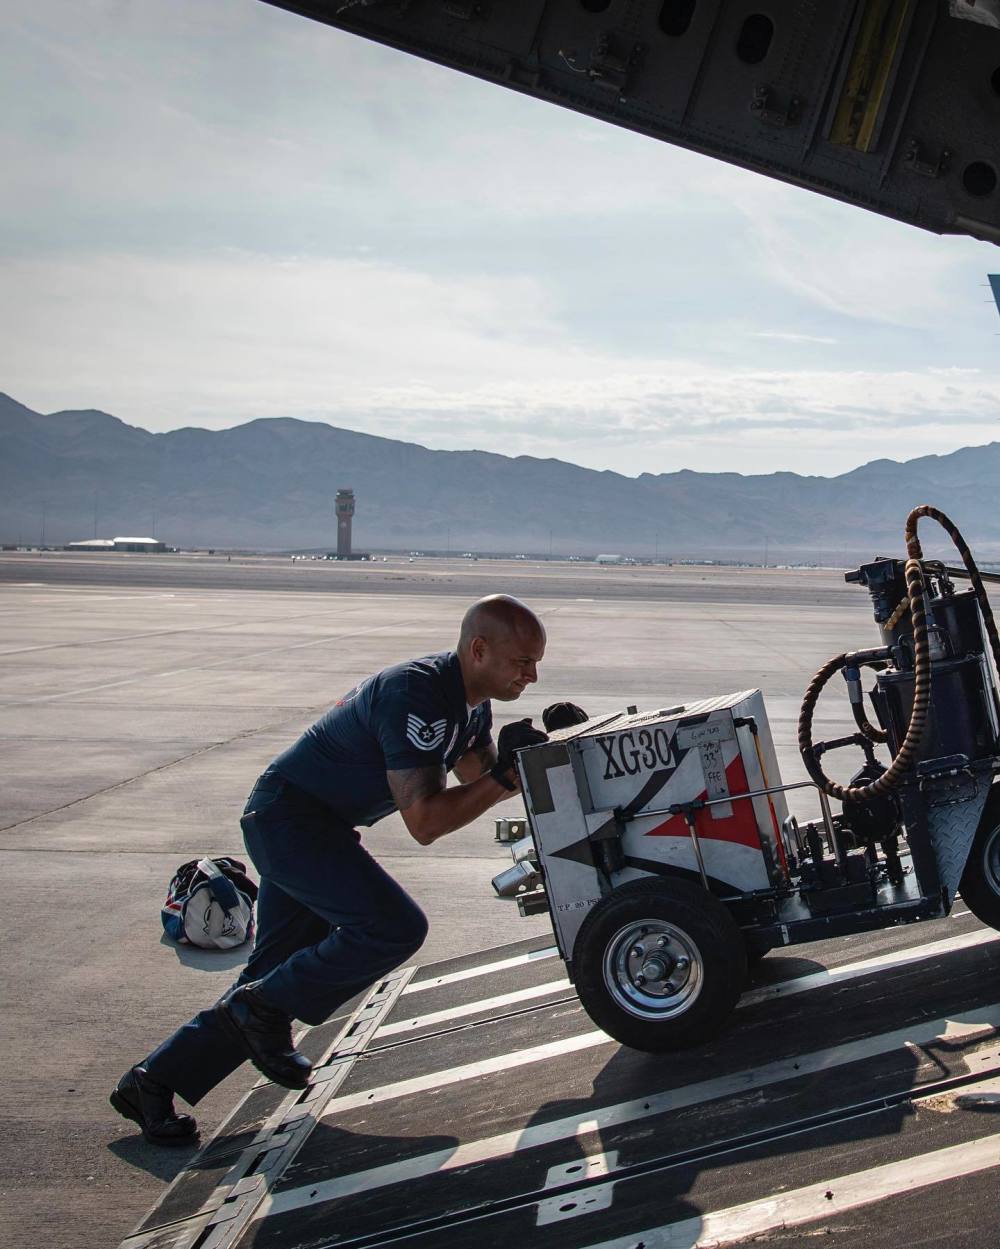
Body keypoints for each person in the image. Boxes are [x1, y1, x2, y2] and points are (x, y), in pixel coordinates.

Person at [111, 594, 549, 1145]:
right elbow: (427, 821)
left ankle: (150, 1084)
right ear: (478, 649)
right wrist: (503, 777)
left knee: (269, 981)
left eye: (536, 663)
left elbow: (477, 776)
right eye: (522, 662)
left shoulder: (470, 703)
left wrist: (532, 754)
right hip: (289, 821)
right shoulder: (415, 694)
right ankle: (258, 1015)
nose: (532, 675)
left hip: (312, 827)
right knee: (392, 928)